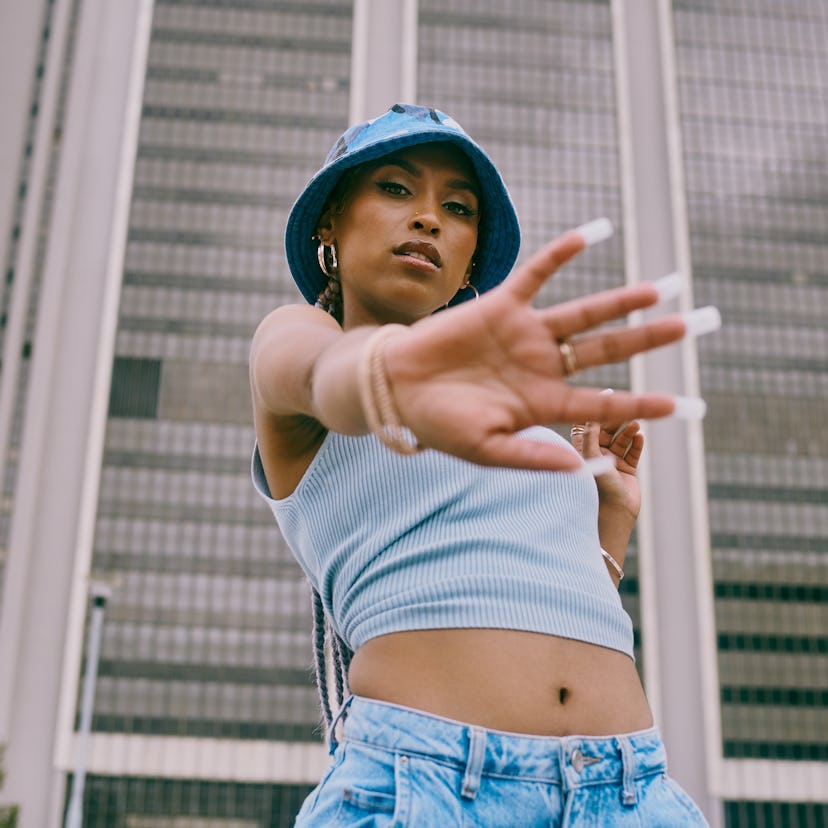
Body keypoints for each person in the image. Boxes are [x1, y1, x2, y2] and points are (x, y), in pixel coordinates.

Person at [250, 104, 714, 826]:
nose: (429, 218)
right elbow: (318, 373)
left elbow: (526, 590)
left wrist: (608, 527)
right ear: (328, 225)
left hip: (628, 789)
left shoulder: (504, 417)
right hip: (424, 786)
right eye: (397, 190)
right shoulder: (305, 339)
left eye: (457, 207)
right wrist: (388, 374)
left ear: (469, 259)